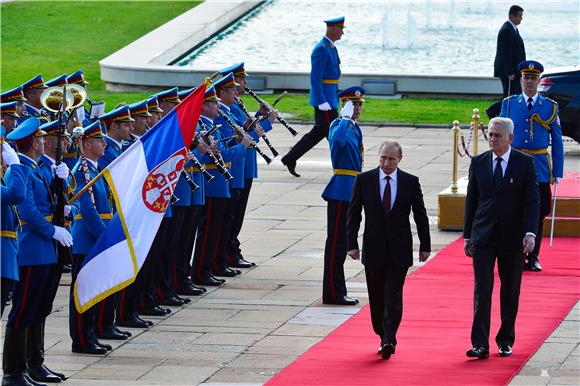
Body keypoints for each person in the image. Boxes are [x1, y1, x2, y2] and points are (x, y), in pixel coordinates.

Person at [3, 118, 72, 385]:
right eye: (41, 138)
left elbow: (49, 203)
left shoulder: (38, 169)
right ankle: (13, 370)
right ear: (33, 143)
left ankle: (35, 363)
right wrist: (52, 231)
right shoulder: (19, 172)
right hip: (32, 248)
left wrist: (59, 185)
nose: (45, 142)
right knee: (23, 309)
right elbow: (29, 211)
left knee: (40, 307)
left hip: (46, 249)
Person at [346, 140, 431, 360]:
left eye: (391, 159)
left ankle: (389, 339)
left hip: (399, 250)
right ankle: (381, 332)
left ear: (399, 159)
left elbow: (420, 215)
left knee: (393, 295)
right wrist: (351, 244)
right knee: (376, 296)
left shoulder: (410, 182)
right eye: (383, 157)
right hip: (373, 249)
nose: (386, 162)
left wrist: (425, 245)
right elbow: (354, 213)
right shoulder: (364, 180)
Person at [464, 117, 540, 359]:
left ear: (510, 138)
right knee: (482, 290)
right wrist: (467, 236)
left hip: (513, 238)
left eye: (497, 135)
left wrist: (530, 232)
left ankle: (505, 339)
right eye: (490, 135)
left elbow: (533, 201)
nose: (492, 139)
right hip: (483, 236)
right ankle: (480, 344)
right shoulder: (478, 163)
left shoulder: (525, 163)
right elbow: (471, 201)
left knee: (510, 290)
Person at [500, 60, 563, 271]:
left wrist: (559, 171)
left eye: (533, 78)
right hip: (515, 163)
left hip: (539, 166)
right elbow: (500, 136)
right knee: (513, 209)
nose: (529, 82)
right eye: (526, 77)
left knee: (540, 210)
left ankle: (534, 256)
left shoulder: (549, 106)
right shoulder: (509, 104)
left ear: (539, 81)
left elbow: (558, 141)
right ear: (520, 79)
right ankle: (515, 253)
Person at [69, 121, 116, 355]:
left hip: (97, 236)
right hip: (88, 238)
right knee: (84, 291)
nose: (104, 144)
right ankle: (81, 339)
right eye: (99, 140)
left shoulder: (94, 169)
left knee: (94, 290)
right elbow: (87, 209)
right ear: (87, 144)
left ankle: (90, 335)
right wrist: (103, 236)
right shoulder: (81, 170)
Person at [281, 16, 344, 177]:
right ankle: (343, 166)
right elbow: (315, 78)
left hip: (330, 99)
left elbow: (333, 76)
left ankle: (290, 158)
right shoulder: (321, 49)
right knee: (333, 134)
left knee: (319, 133)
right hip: (324, 101)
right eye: (341, 29)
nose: (342, 33)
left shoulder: (331, 47)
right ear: (333, 28)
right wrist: (321, 100)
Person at [321, 86, 365, 306]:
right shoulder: (338, 125)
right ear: (344, 105)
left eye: (359, 104)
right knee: (336, 243)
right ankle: (332, 292)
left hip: (352, 188)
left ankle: (337, 290)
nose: (357, 108)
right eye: (353, 104)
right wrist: (345, 117)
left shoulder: (353, 127)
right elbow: (337, 142)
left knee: (342, 243)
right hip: (340, 189)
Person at [494, 5, 526, 98]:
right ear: (512, 16)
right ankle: (492, 111)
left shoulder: (513, 29)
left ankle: (507, 112)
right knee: (509, 96)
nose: (521, 18)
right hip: (509, 72)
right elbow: (506, 53)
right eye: (520, 16)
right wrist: (509, 72)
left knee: (514, 95)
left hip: (515, 70)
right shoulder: (506, 30)